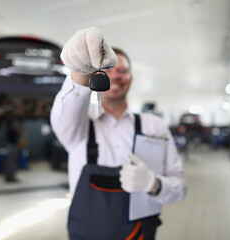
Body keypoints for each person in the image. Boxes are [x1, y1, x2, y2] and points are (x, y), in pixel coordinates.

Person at [50, 26, 186, 240]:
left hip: (140, 233)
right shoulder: (79, 127)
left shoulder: (155, 127)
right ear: (97, 75)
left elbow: (180, 189)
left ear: (130, 78)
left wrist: (153, 183)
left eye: (122, 70)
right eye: (109, 70)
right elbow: (64, 111)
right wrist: (79, 71)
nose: (116, 75)